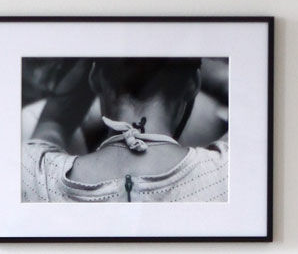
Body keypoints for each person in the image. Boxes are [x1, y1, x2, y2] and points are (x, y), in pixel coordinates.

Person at [22, 56, 227, 205]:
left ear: (94, 78)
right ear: (193, 84)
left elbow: (53, 123)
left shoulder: (35, 176)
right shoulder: (228, 173)